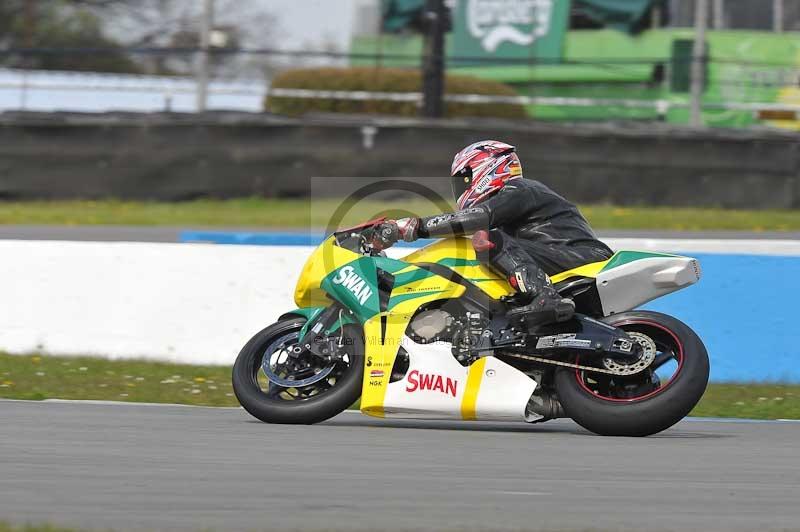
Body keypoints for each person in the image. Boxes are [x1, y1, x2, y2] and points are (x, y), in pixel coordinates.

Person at [373, 140, 614, 329]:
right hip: (561, 261)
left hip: (583, 258)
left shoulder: (521, 188)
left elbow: (480, 216)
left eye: (465, 178)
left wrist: (412, 227)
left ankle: (545, 296)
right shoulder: (512, 203)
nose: (462, 187)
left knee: (487, 239)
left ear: (488, 168)